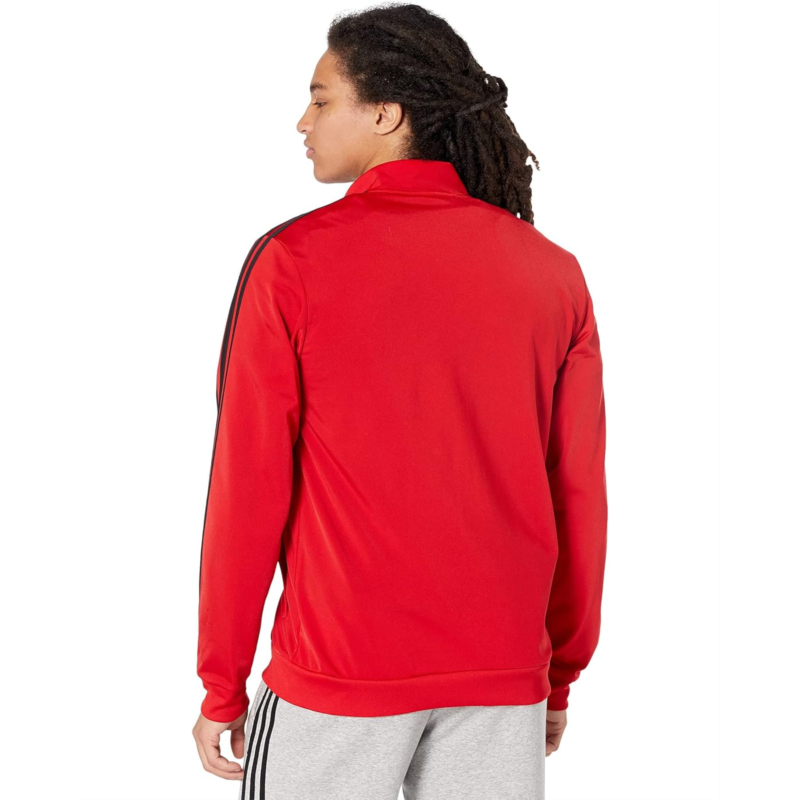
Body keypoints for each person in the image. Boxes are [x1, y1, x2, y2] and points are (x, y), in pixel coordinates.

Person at [192, 4, 607, 798]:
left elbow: (248, 487)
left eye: (321, 98)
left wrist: (221, 682)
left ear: (386, 113)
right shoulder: (553, 272)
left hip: (339, 673)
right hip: (500, 674)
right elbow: (578, 494)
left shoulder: (294, 262)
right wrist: (557, 673)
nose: (302, 121)